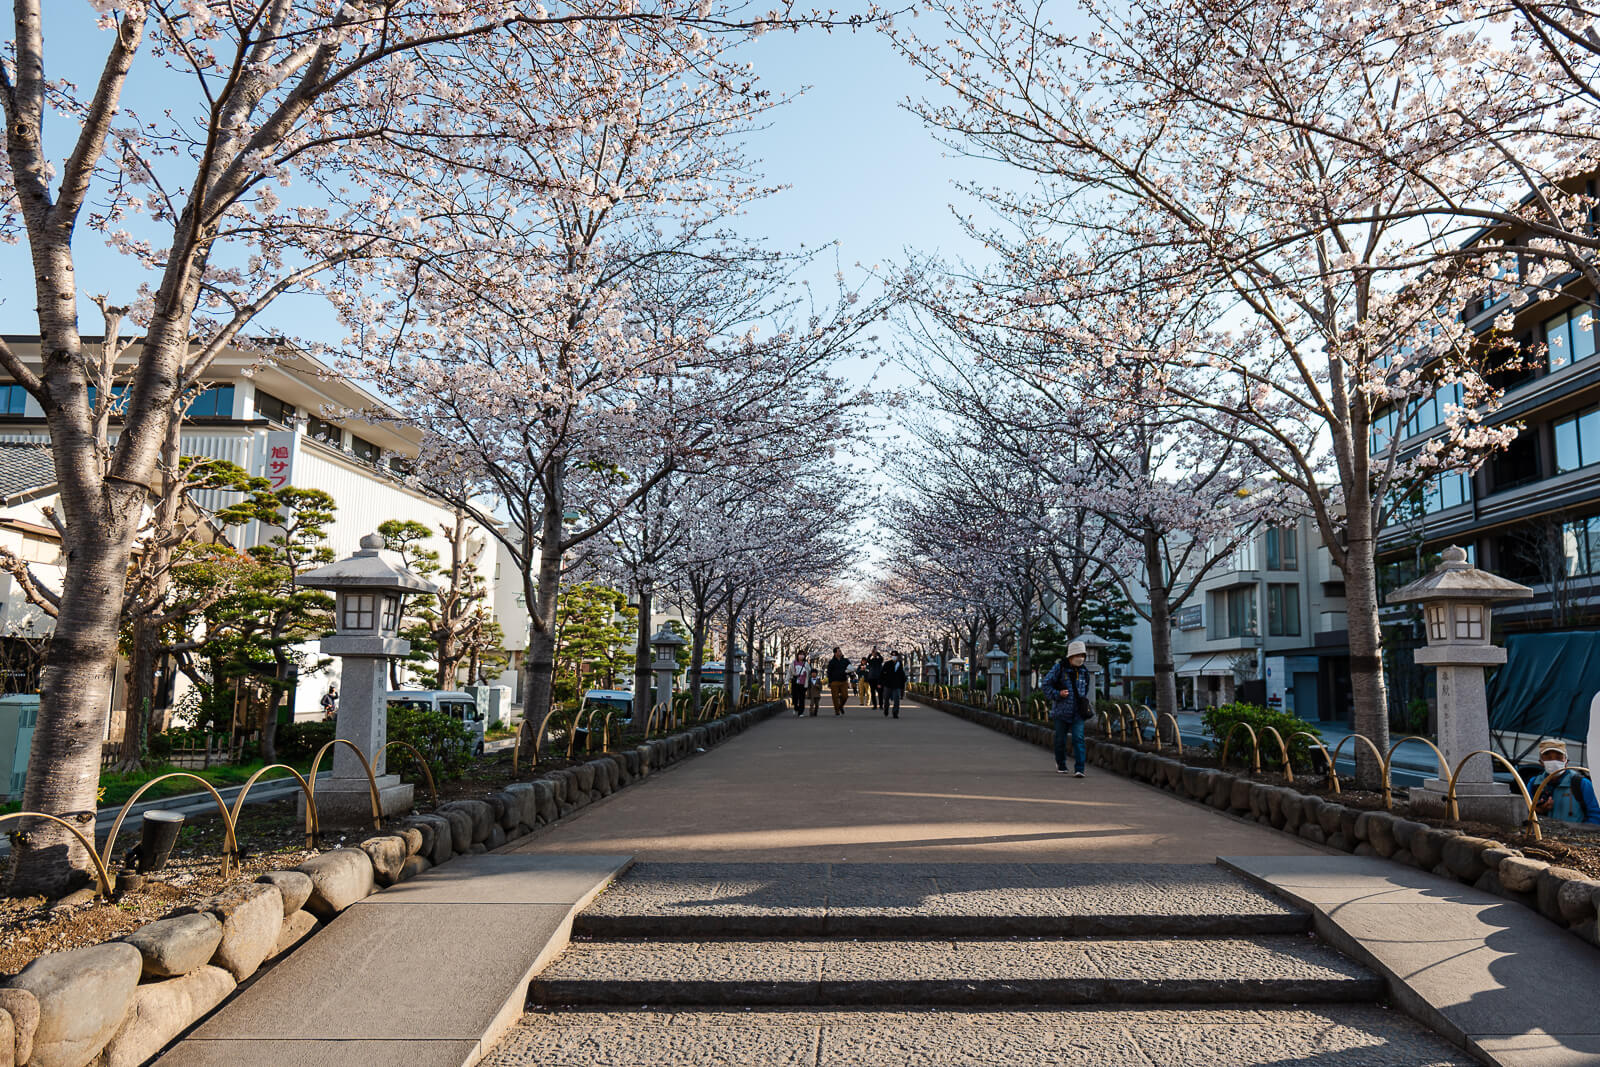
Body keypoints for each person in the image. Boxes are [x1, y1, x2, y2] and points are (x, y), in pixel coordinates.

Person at [1040, 639, 1093, 777]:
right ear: (1070, 656)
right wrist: (1058, 694)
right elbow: (1045, 685)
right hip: (1061, 712)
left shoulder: (1084, 672)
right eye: (1078, 655)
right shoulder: (1059, 668)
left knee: (1078, 738)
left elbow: (1085, 690)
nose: (1080, 659)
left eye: (1082, 656)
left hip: (1078, 713)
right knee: (1060, 740)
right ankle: (1061, 763)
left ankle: (1079, 768)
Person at [1528, 738, 1600, 824]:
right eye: (1548, 758)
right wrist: (1539, 810)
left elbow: (1596, 816)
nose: (1554, 761)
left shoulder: (1581, 784)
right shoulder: (1534, 784)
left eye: (1558, 757)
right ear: (1541, 762)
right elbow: (1526, 813)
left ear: (1566, 761)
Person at [881, 650, 908, 719]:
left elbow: (902, 674)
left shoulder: (899, 664)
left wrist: (903, 682)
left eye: (895, 656)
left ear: (897, 656)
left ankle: (895, 713)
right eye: (893, 655)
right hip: (888, 684)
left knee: (897, 699)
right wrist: (881, 682)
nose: (894, 657)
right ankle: (886, 709)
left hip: (896, 685)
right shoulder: (887, 664)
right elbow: (882, 674)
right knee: (886, 699)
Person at [826, 647, 851, 716]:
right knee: (835, 697)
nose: (840, 652)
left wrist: (851, 675)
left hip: (843, 681)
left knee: (845, 696)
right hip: (834, 681)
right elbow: (829, 672)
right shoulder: (832, 662)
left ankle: (840, 706)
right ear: (835, 653)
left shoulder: (845, 661)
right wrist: (830, 682)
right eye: (838, 651)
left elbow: (850, 669)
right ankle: (837, 711)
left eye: (840, 651)